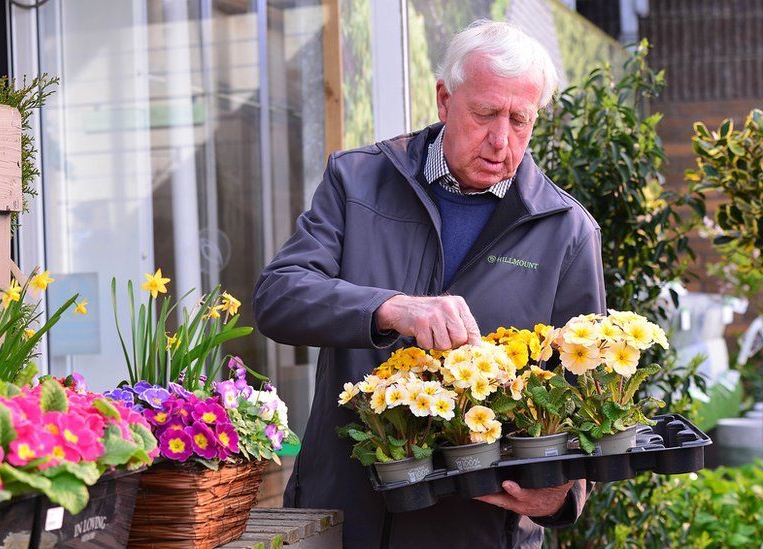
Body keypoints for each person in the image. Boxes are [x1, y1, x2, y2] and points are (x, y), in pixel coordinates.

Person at [252, 20, 605, 548]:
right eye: (485, 113)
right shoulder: (357, 180)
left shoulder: (566, 231)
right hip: (341, 521)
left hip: (475, 530)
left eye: (521, 120)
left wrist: (565, 495)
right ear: (444, 99)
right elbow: (277, 297)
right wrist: (390, 308)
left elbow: (589, 396)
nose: (501, 139)